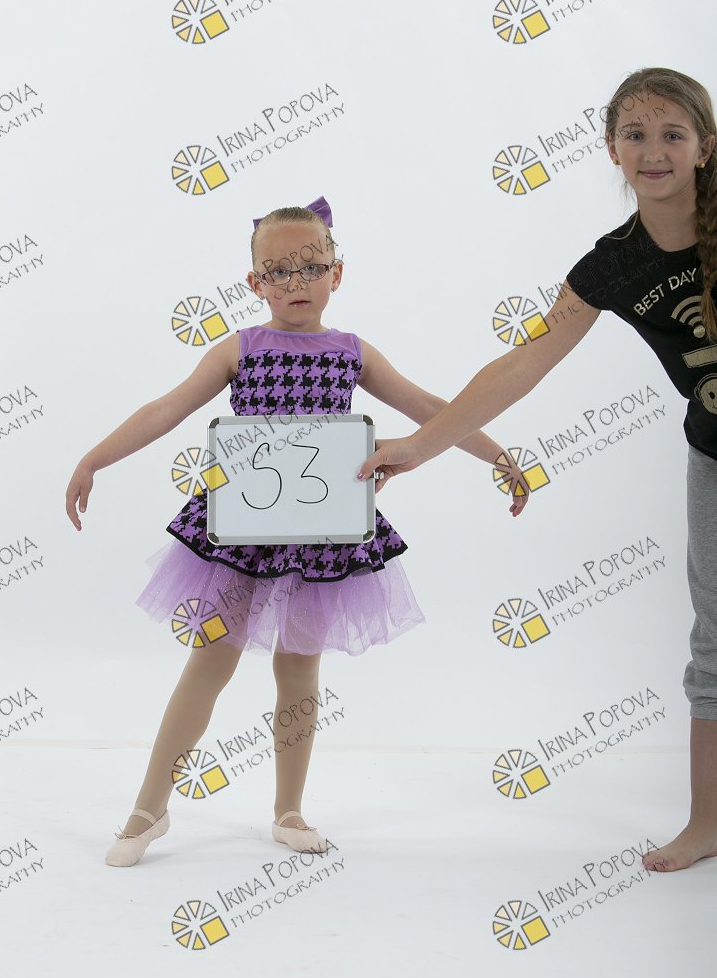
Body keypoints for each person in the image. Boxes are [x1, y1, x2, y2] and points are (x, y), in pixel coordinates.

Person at [65, 196, 528, 867]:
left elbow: (431, 407)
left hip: (322, 530)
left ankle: (289, 809)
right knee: (211, 658)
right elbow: (166, 407)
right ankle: (149, 806)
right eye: (277, 272)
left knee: (300, 664)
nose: (295, 283)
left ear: (338, 273)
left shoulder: (351, 352)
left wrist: (499, 456)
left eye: (311, 267)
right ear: (255, 283)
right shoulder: (241, 348)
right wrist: (94, 458)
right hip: (243, 529)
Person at [358, 67, 717, 874]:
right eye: (635, 134)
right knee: (715, 640)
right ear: (612, 150)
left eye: (672, 134)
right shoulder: (612, 266)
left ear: (705, 147)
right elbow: (524, 362)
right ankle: (707, 822)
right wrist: (421, 445)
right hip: (714, 456)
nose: (654, 150)